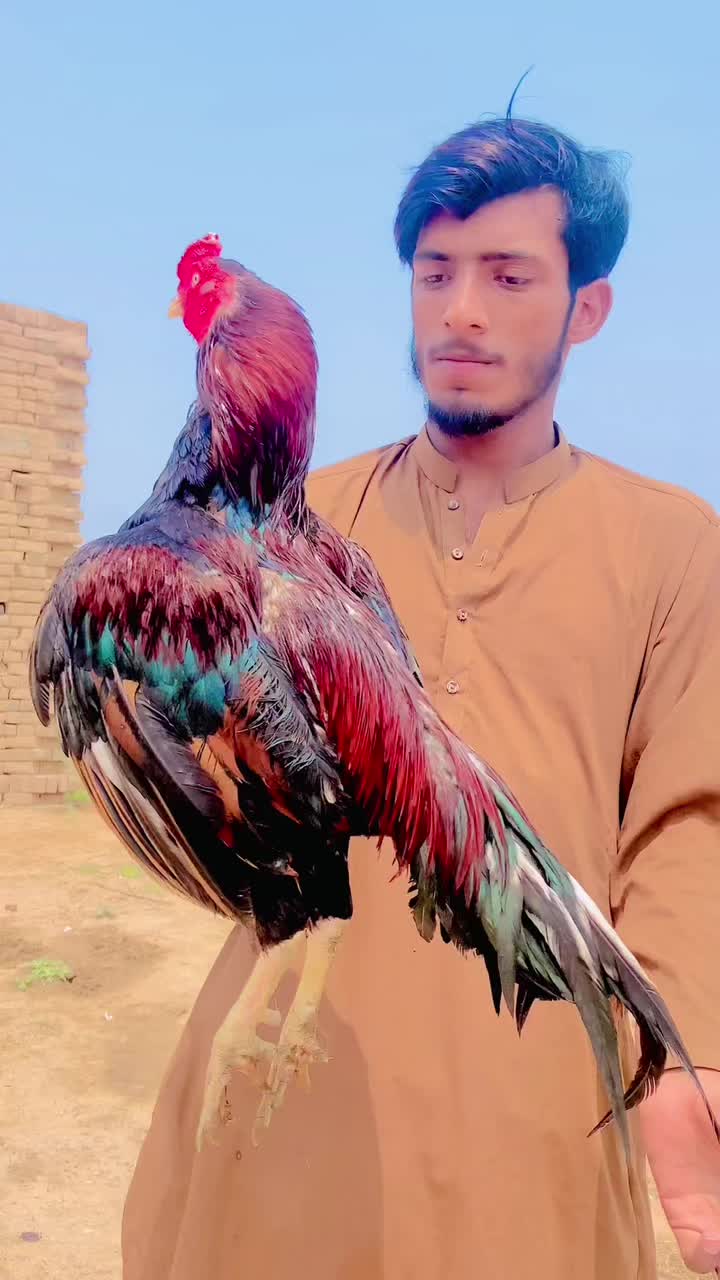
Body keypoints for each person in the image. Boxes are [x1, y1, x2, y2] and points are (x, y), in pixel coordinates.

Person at [121, 116, 720, 1279]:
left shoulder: (673, 544)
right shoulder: (296, 522)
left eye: (509, 276)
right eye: (435, 273)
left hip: (535, 1091)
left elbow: (687, 826)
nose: (461, 312)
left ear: (588, 308)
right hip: (288, 1092)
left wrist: (687, 1067)